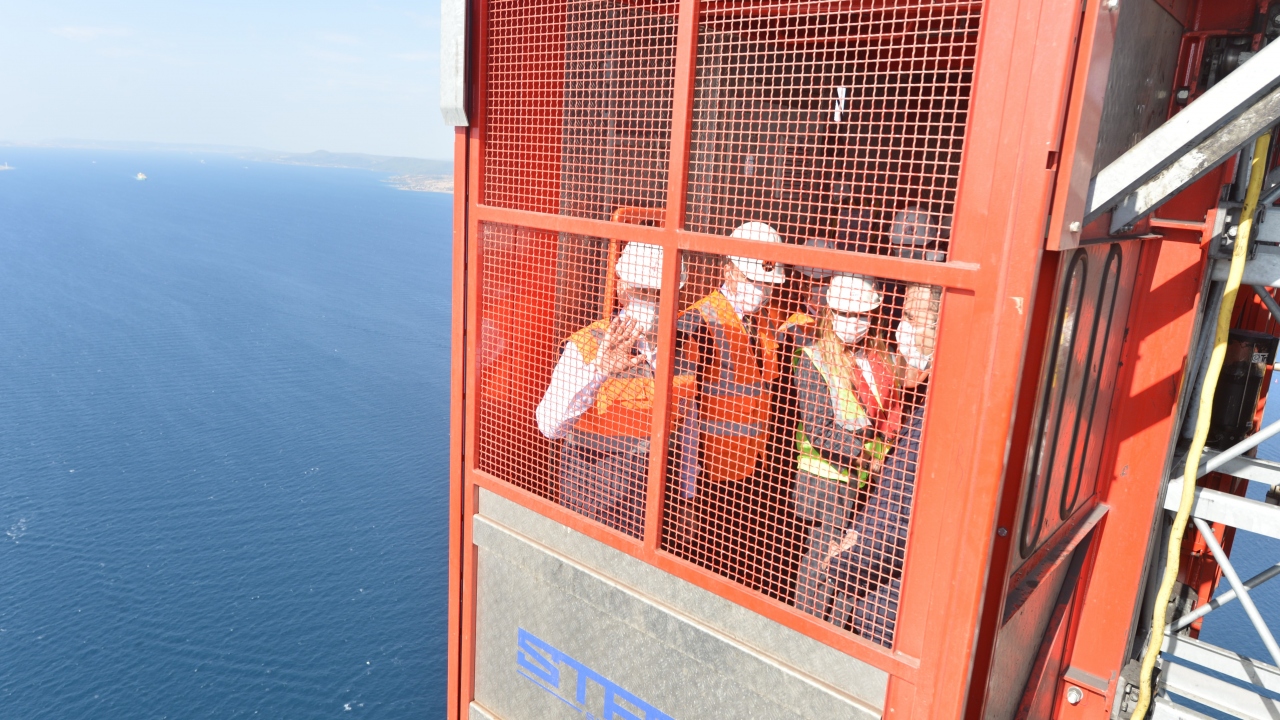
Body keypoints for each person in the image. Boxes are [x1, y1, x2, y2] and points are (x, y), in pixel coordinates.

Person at [826, 206, 942, 645]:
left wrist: (842, 560)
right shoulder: (818, 355)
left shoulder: (938, 412)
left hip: (888, 602)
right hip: (833, 500)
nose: (900, 329)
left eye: (912, 320)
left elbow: (902, 516)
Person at [535, 242, 694, 538]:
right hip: (594, 503)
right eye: (642, 291)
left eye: (660, 294)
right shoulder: (588, 345)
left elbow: (688, 429)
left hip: (658, 504)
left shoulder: (686, 348)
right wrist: (598, 370)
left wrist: (687, 496)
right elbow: (549, 424)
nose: (651, 302)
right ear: (622, 290)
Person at [677, 221, 789, 587]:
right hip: (711, 481)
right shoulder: (699, 324)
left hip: (757, 472)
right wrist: (687, 493)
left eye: (768, 284)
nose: (763, 291)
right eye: (755, 281)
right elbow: (684, 418)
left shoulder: (767, 322)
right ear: (727, 270)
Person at [790, 273, 903, 623]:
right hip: (827, 482)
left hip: (865, 483)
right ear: (830, 312)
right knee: (822, 569)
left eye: (861, 316)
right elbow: (820, 431)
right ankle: (802, 633)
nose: (853, 323)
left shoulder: (877, 359)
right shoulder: (813, 358)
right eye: (846, 314)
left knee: (851, 570)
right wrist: (867, 456)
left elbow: (888, 414)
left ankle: (836, 638)